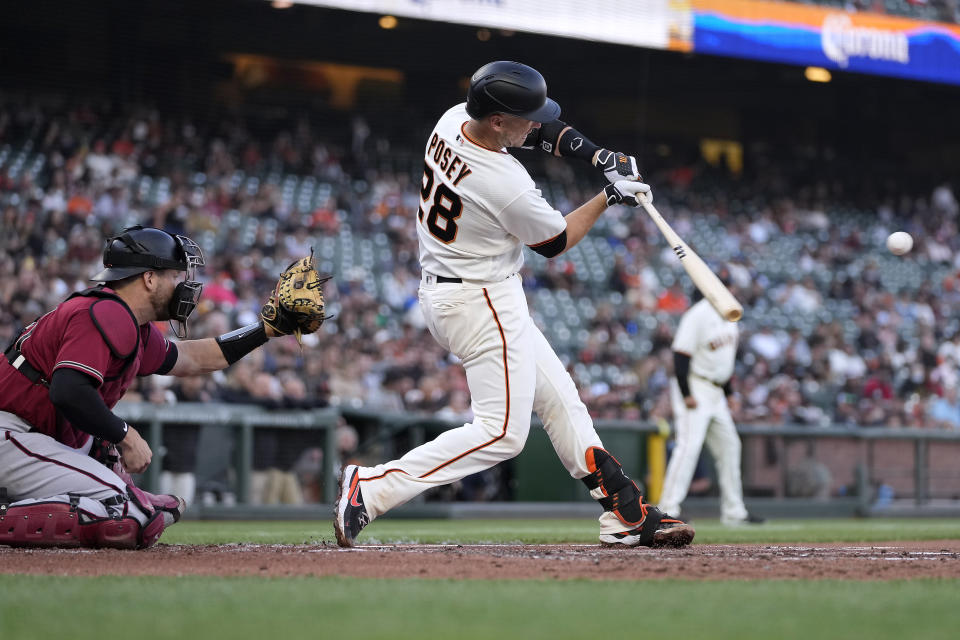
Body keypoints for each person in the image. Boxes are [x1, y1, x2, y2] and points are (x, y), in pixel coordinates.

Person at [334, 61, 694, 548]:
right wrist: (609, 196)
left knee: (560, 399)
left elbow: (542, 132)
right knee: (503, 433)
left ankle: (625, 511)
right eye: (524, 116)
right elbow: (555, 242)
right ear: (498, 121)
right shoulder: (504, 182)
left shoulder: (454, 118)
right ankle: (374, 488)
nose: (536, 124)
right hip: (478, 299)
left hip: (461, 287)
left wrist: (597, 155)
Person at [0, 226, 302, 549]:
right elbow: (68, 390)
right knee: (128, 511)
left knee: (130, 496)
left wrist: (265, 330)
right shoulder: (105, 312)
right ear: (149, 278)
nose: (182, 285)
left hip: (36, 437)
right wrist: (125, 434)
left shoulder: (130, 323)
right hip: (13, 433)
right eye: (175, 276)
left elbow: (193, 359)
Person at [657, 284, 763, 526]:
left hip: (716, 391)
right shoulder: (698, 314)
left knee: (730, 446)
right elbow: (680, 355)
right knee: (688, 447)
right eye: (728, 286)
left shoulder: (730, 313)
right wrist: (685, 393)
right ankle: (667, 509)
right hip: (695, 386)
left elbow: (722, 360)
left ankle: (734, 512)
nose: (733, 290)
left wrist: (729, 392)